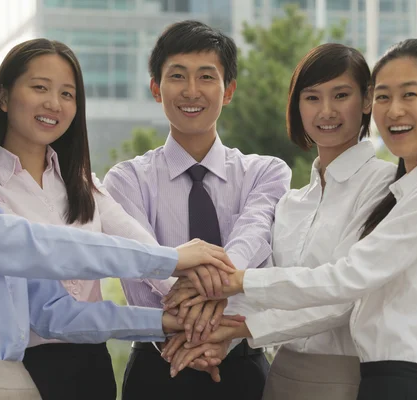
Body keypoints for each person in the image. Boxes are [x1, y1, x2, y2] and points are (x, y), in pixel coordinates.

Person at [0, 47, 235, 400]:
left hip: (23, 381)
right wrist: (172, 259)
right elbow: (35, 245)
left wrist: (170, 323)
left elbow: (53, 311)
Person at [168, 38, 417, 400]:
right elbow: (278, 291)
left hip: (360, 376)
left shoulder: (399, 187)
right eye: (312, 97)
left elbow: (348, 285)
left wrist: (237, 293)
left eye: (341, 95)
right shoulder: (293, 201)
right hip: (291, 371)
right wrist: (215, 333)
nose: (326, 111)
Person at [0, 38, 183, 400]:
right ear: (3, 98)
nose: (54, 104)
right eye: (40, 87)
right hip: (16, 369)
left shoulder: (82, 183)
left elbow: (144, 252)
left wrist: (197, 315)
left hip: (91, 367)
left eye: (68, 94)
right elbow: (43, 303)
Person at [104, 20, 291, 400]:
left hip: (244, 368)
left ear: (229, 91)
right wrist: (198, 325)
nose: (191, 91)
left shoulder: (266, 173)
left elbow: (252, 240)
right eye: (177, 76)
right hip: (157, 370)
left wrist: (220, 331)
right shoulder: (126, 180)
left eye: (206, 76)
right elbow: (142, 265)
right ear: (156, 88)